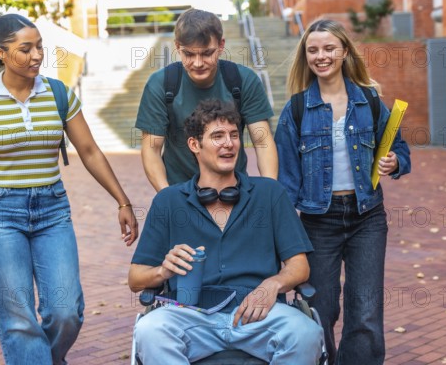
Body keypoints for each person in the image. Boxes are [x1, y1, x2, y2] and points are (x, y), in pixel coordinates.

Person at [0, 13, 139, 365]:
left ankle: (42, 358)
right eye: (25, 49)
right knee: (17, 316)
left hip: (52, 210)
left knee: (66, 311)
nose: (37, 56)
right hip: (0, 215)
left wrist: (122, 200)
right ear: (0, 53)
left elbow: (89, 151)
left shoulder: (58, 94)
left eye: (40, 47)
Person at [129, 100, 323, 364]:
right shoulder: (168, 201)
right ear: (195, 145)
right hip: (191, 315)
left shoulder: (270, 194)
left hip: (258, 315)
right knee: (150, 330)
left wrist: (273, 284)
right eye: (217, 136)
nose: (229, 143)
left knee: (306, 333)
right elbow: (136, 278)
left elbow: (299, 266)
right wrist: (163, 271)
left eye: (233, 135)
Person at [274, 19, 411, 364]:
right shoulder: (296, 110)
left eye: (329, 48)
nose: (321, 56)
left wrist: (395, 161)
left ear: (344, 51)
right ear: (306, 56)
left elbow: (401, 149)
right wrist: (280, 234)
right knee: (319, 308)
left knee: (365, 310)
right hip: (318, 221)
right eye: (313, 50)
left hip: (368, 218)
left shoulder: (369, 101)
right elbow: (286, 182)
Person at [135, 8, 278, 192]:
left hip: (235, 193)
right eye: (189, 54)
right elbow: (152, 149)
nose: (198, 63)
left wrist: (270, 194)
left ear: (221, 46)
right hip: (180, 193)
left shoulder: (243, 80)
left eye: (206, 53)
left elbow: (262, 141)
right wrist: (168, 197)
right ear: (177, 47)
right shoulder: (160, 84)